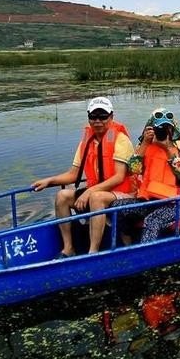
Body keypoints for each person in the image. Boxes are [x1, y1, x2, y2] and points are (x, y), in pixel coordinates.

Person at [31, 96, 135, 256]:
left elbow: (119, 177)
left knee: (96, 197)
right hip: (98, 192)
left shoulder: (121, 140)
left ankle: (92, 251)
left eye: (103, 116)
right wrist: (49, 181)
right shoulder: (86, 142)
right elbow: (73, 174)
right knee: (62, 196)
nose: (98, 121)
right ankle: (68, 248)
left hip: (123, 194)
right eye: (93, 116)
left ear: (111, 117)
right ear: (89, 118)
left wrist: (89, 192)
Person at [111, 108, 180, 243]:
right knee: (117, 207)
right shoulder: (147, 146)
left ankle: (144, 256)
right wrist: (144, 143)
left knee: (152, 220)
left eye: (167, 128)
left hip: (177, 202)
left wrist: (167, 149)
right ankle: (127, 245)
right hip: (151, 200)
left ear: (173, 131)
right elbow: (133, 170)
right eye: (158, 128)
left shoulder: (179, 149)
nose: (162, 132)